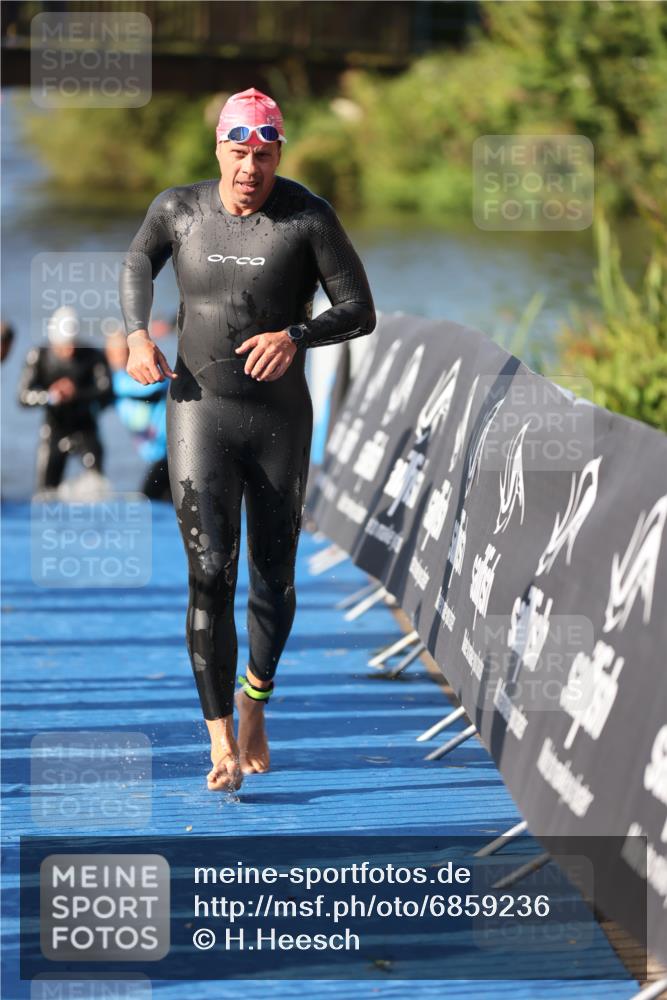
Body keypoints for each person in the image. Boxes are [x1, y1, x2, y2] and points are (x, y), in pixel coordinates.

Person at [119, 87, 376, 792]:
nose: (250, 170)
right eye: (239, 155)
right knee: (210, 573)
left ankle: (255, 700)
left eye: (264, 156)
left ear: (278, 155)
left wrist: (297, 335)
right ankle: (220, 741)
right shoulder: (180, 209)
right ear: (219, 150)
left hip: (277, 420)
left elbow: (359, 310)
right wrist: (137, 335)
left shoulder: (307, 217)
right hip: (198, 411)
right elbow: (137, 262)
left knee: (273, 573)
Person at [18, 306, 113, 492]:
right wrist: (50, 396)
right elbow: (22, 396)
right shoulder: (38, 356)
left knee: (97, 484)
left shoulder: (92, 355)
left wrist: (76, 393)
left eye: (72, 344)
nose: (69, 351)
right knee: (46, 492)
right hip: (54, 429)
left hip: (85, 428)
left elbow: (107, 391)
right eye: (63, 345)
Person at [105, 331, 171, 501]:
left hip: (169, 450)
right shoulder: (111, 380)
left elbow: (160, 385)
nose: (118, 358)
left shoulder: (146, 375)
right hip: (151, 452)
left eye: (122, 352)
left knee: (149, 499)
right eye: (113, 353)